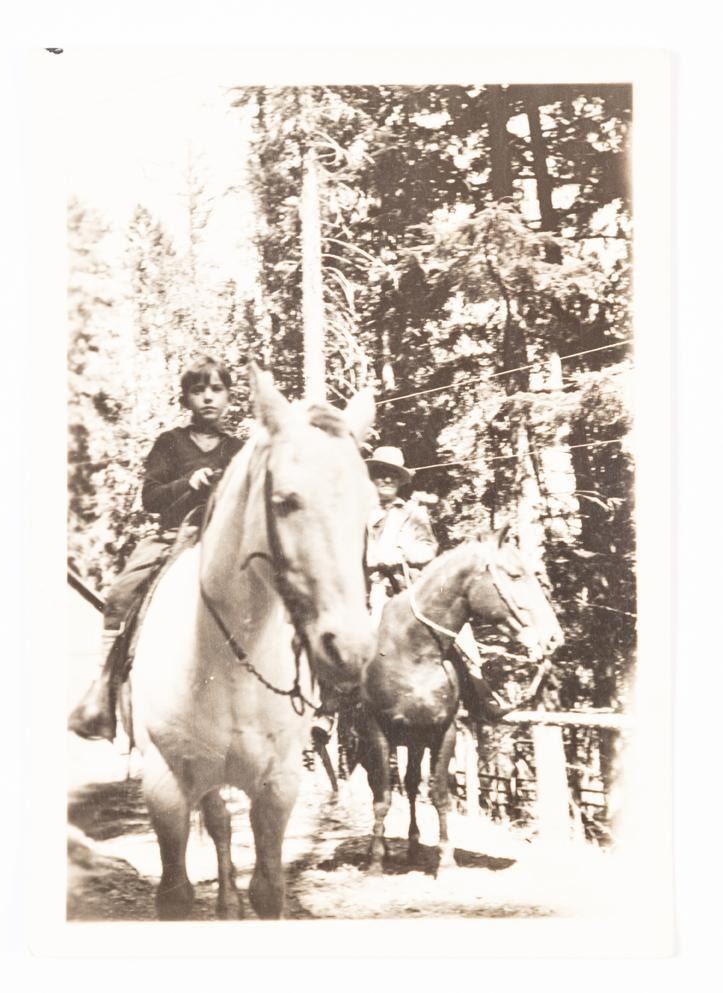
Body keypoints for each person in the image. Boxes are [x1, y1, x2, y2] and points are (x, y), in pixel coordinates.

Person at [68, 355, 243, 742]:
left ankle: (308, 700)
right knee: (120, 595)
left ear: (229, 397)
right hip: (173, 537)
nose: (208, 398)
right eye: (198, 390)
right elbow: (151, 498)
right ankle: (103, 695)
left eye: (217, 389)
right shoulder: (170, 443)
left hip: (225, 540)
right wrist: (188, 483)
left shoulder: (239, 449)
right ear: (186, 399)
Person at [365, 445, 438, 621]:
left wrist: (402, 555)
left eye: (394, 475)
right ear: (372, 478)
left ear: (399, 481)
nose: (387, 480)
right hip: (360, 592)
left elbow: (428, 548)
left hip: (402, 591)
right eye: (381, 474)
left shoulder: (412, 513)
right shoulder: (359, 513)